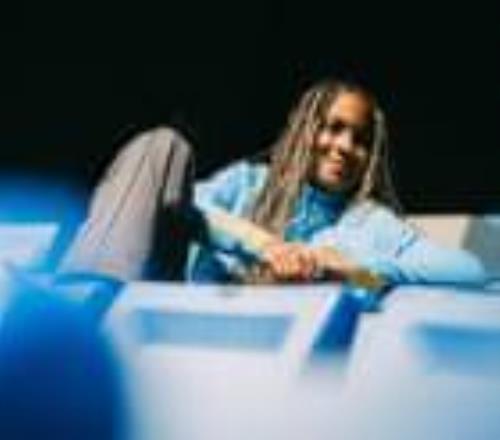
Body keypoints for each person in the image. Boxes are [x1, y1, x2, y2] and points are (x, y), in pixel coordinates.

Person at [57, 77, 487, 291]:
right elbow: (182, 207)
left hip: (262, 358)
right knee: (162, 146)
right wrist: (261, 244)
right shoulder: (247, 183)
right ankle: (81, 307)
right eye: (333, 128)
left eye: (361, 140)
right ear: (304, 131)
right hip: (162, 304)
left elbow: (474, 268)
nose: (345, 147)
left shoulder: (371, 223)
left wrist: (353, 267)